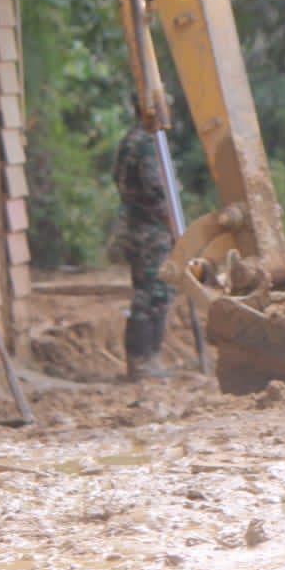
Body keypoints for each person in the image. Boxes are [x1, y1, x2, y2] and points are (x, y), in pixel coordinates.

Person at [113, 115, 176, 380]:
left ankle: (143, 361)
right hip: (150, 230)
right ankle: (143, 361)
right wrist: (171, 223)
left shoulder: (130, 140)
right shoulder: (147, 144)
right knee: (154, 294)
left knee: (148, 291)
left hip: (135, 227)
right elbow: (154, 189)